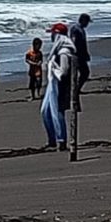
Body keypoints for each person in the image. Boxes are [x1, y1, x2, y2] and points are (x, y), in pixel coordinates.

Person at [40, 23, 75, 151]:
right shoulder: (58, 48)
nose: (52, 36)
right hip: (53, 81)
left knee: (57, 111)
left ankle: (61, 139)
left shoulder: (64, 50)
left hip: (59, 83)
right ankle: (52, 139)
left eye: (53, 33)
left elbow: (64, 70)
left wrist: (54, 68)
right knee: (45, 111)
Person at [70, 13, 92, 96]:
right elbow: (74, 41)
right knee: (78, 74)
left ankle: (77, 88)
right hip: (77, 55)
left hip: (82, 55)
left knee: (85, 73)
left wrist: (86, 53)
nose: (87, 24)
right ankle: (75, 89)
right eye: (87, 22)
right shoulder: (76, 29)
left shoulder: (81, 29)